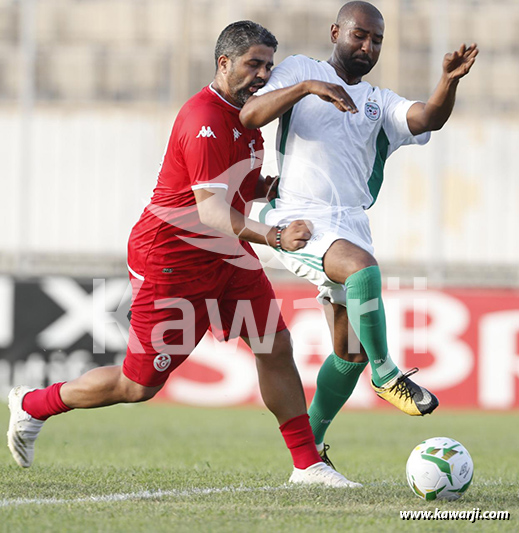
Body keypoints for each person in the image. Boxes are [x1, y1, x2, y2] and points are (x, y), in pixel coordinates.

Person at [7, 21, 360, 487]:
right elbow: (212, 211)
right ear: (224, 63)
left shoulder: (246, 117)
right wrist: (274, 236)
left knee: (274, 345)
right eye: (254, 63)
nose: (262, 74)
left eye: (268, 66)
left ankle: (307, 465)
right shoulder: (203, 119)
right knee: (138, 386)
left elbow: (233, 183)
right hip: (170, 259)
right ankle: (32, 404)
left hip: (224, 256)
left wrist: (272, 186)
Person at [240, 2, 478, 465]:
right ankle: (388, 373)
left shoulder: (379, 101)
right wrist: (309, 87)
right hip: (298, 218)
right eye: (359, 36)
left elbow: (427, 119)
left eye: (377, 41)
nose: (368, 46)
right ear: (336, 32)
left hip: (351, 222)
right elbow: (251, 114)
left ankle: (310, 451)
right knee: (363, 271)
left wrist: (447, 81)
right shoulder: (299, 71)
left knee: (349, 353)